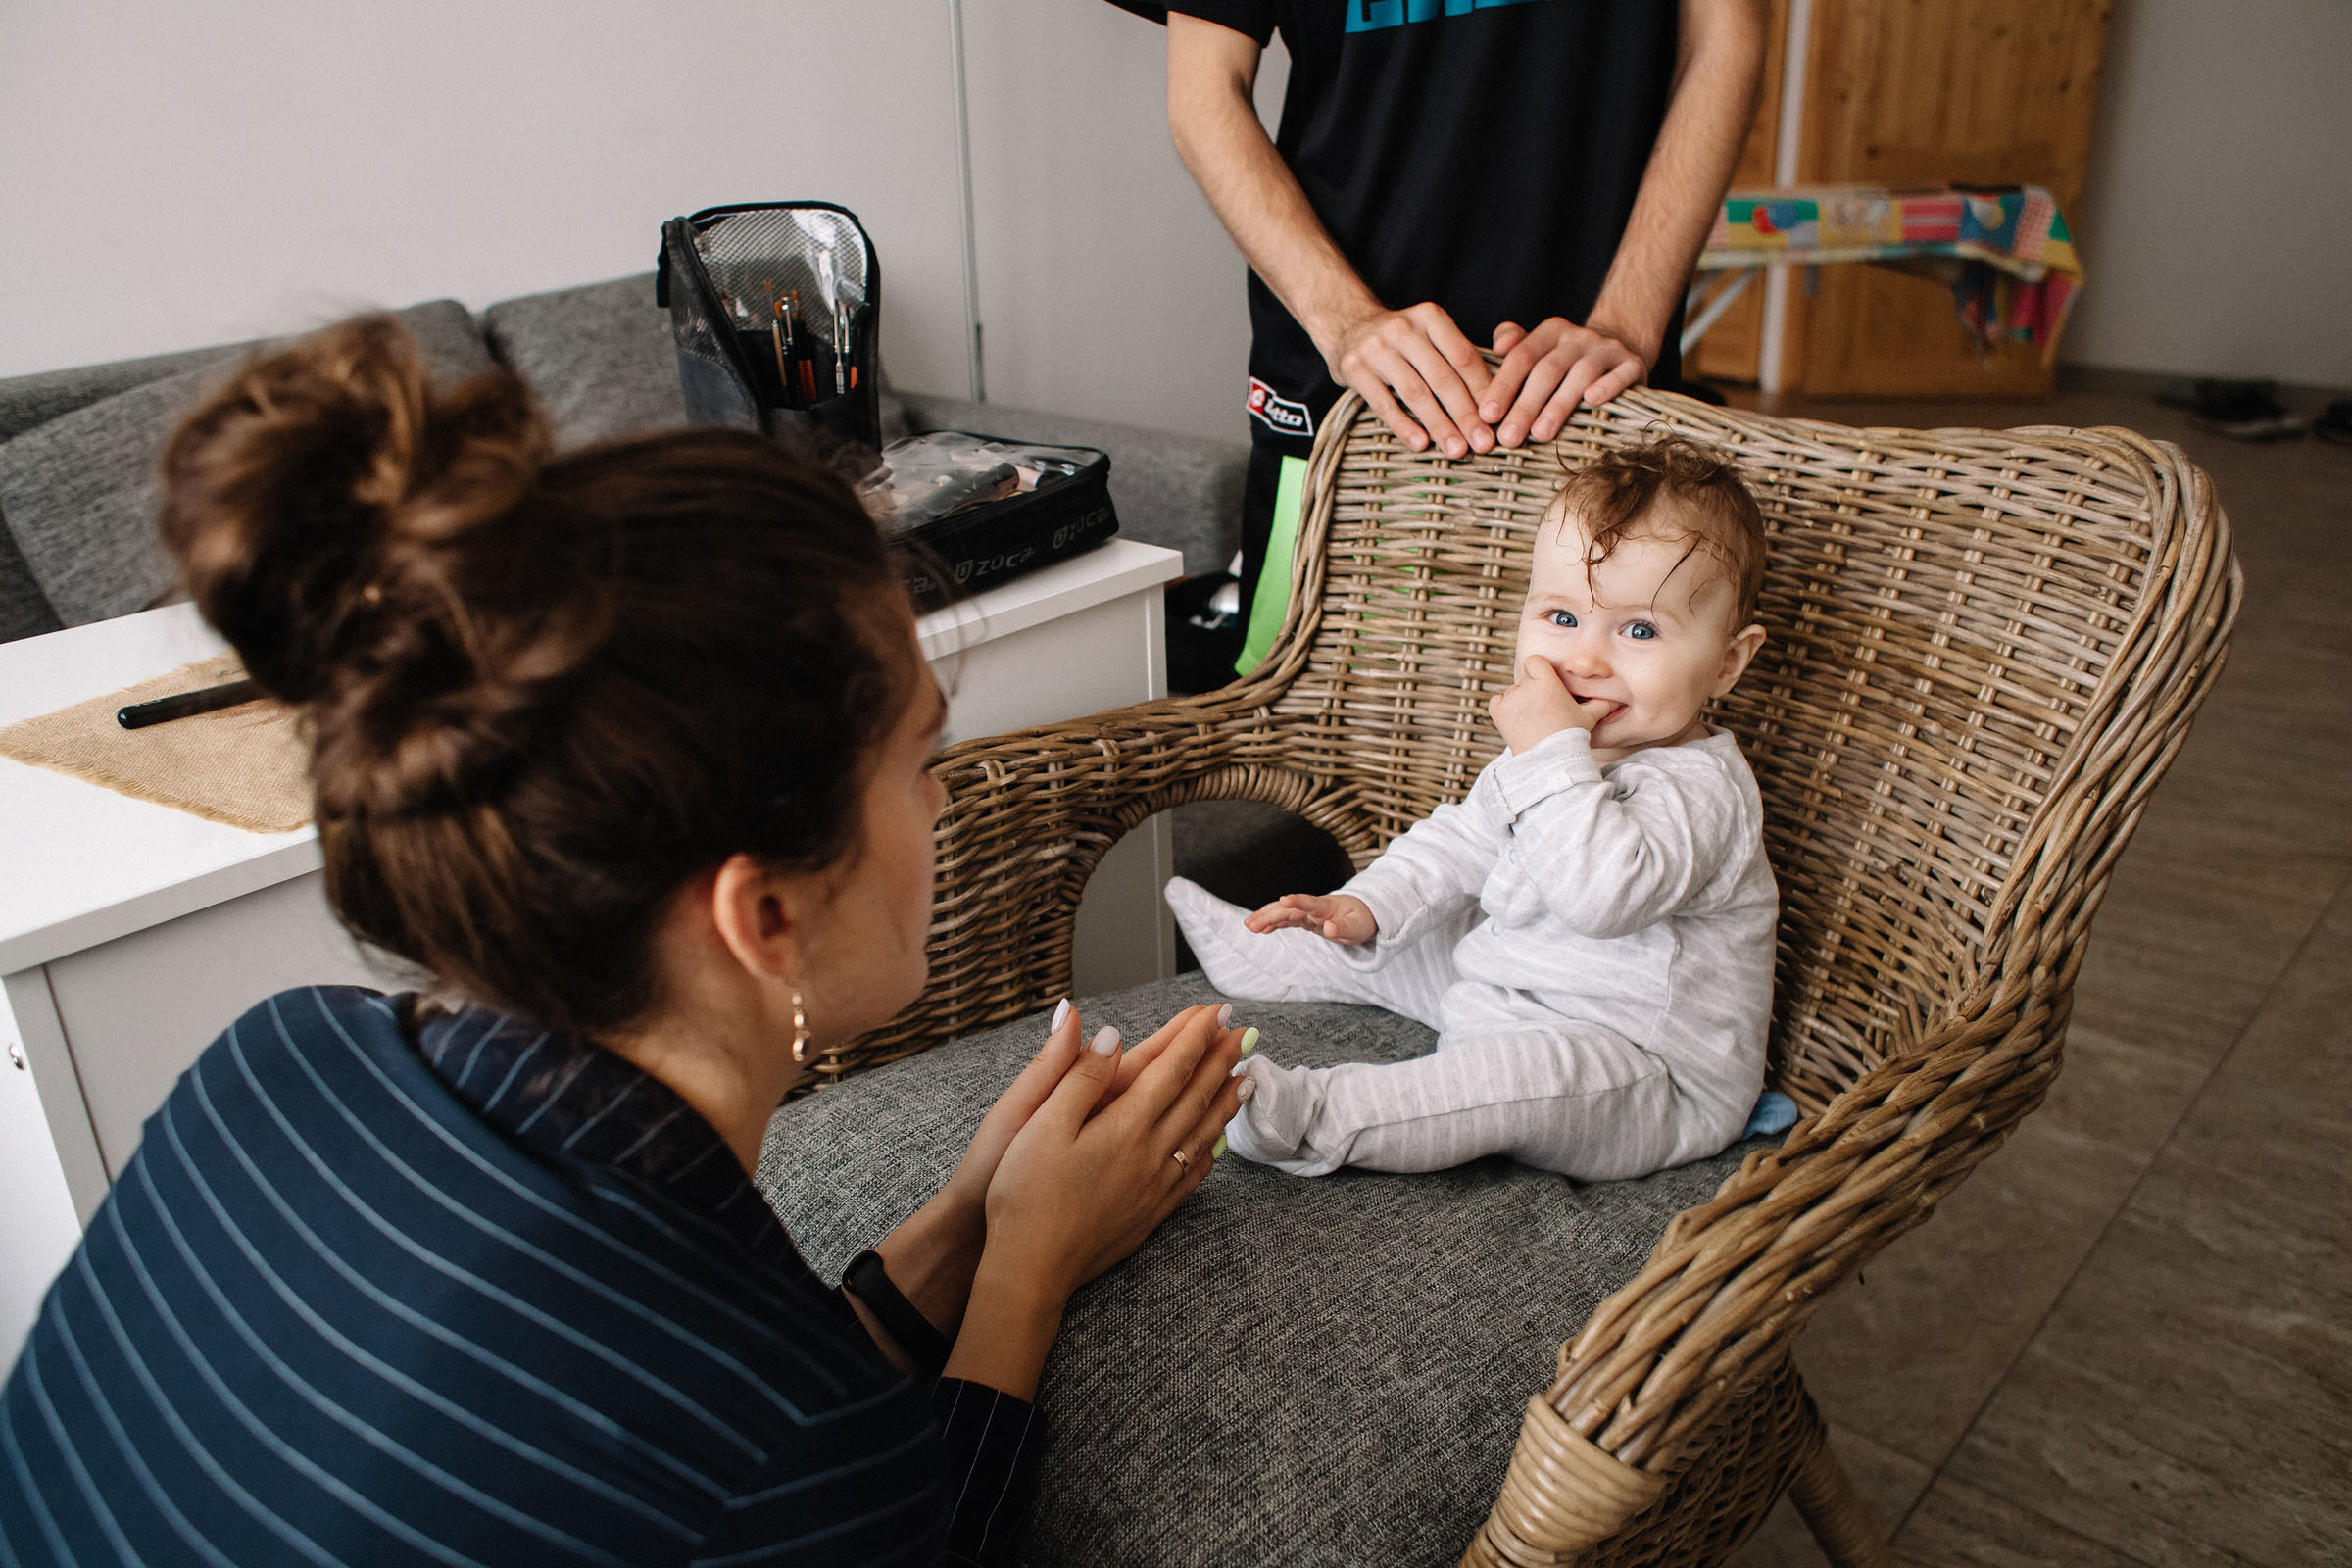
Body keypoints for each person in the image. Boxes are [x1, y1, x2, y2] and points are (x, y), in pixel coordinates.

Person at [0, 317, 1250, 1567]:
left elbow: (649, 1449)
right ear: (762, 914)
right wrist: (1030, 1273)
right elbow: (824, 1488)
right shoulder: (795, 1436)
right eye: (918, 760)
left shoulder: (275, 1054)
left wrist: (964, 1223)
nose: (942, 799)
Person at [1164, 436, 1776, 1181]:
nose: (1584, 660)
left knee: (1515, 1078)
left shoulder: (1702, 790)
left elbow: (1601, 899)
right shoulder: (1553, 750)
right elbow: (1460, 838)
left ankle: (1317, 1117)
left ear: (1728, 663)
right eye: (1560, 617)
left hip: (1639, 1072)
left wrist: (1552, 751)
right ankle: (1298, 955)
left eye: (1639, 631)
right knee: (1419, 927)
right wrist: (1365, 905)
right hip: (1506, 990)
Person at [1116, 0, 1766, 682]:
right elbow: (1204, 92)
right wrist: (1343, 318)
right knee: (1311, 719)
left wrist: (1629, 321)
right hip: (1356, 392)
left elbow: (1723, 38)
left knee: (1607, 750)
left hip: (1592, 382)